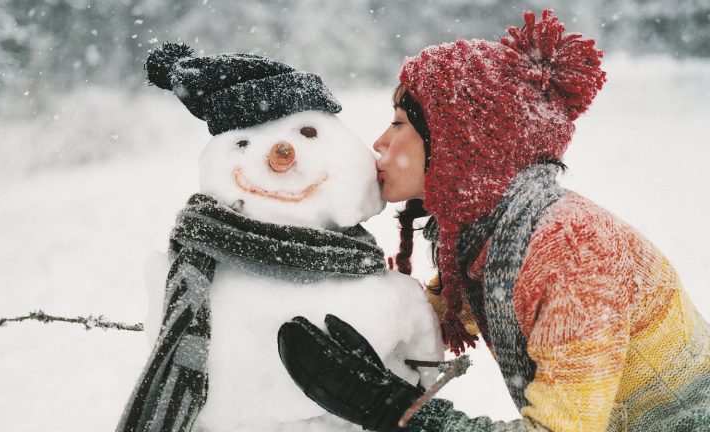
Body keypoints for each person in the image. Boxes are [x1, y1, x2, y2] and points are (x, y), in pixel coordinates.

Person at [277, 9, 710, 432]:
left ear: (457, 143)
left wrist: (397, 413)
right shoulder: (490, 241)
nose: (380, 141)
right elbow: (422, 319)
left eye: (399, 123)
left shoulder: (571, 252)